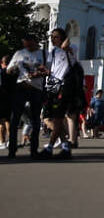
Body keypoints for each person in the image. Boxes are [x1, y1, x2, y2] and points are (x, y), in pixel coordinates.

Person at [7, 33, 46, 159]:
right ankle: (12, 149)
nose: (27, 47)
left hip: (36, 89)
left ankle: (33, 150)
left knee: (35, 120)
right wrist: (13, 69)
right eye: (25, 45)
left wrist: (37, 74)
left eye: (29, 45)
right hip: (21, 87)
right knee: (14, 119)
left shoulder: (43, 54)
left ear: (35, 42)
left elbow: (48, 71)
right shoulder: (19, 54)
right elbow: (8, 69)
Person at [41, 28, 76, 159]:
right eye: (51, 36)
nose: (52, 39)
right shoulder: (53, 51)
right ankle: (66, 146)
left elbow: (69, 51)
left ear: (62, 38)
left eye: (55, 37)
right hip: (51, 88)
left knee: (56, 118)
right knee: (47, 119)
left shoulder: (69, 48)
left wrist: (66, 43)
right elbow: (49, 70)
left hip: (62, 88)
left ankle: (50, 147)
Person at [0, 55, 14, 150]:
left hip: (2, 98)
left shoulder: (1, 72)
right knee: (9, 121)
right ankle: (11, 141)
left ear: (2, 63)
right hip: (12, 99)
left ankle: (2, 142)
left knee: (1, 122)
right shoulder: (14, 73)